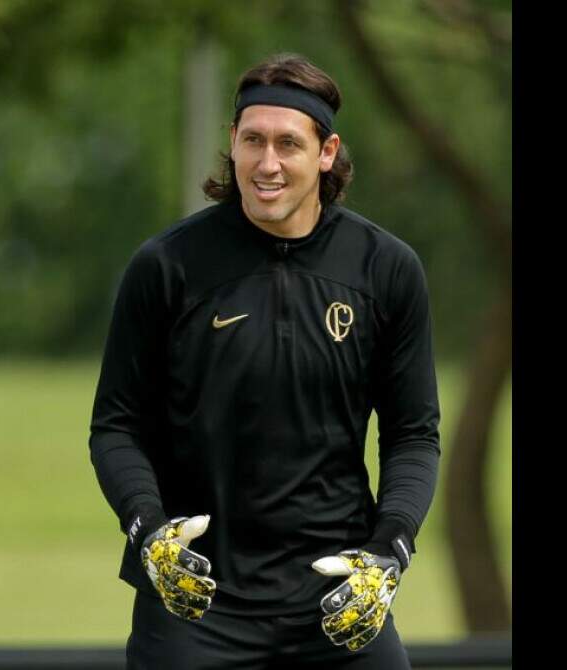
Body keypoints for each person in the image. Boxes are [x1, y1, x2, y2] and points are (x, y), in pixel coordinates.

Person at [89, 53, 440, 669]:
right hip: (195, 607)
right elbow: (115, 427)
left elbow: (414, 435)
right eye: (252, 140)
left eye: (288, 144)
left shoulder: (385, 269)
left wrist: (390, 546)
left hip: (337, 603)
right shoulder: (166, 266)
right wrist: (148, 529)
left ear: (326, 152)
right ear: (232, 142)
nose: (267, 163)